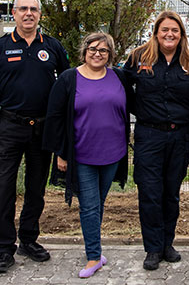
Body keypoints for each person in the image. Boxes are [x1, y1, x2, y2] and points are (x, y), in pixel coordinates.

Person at [0, 0, 70, 273]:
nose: (29, 13)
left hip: (42, 129)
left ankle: (28, 239)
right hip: (10, 128)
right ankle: (4, 247)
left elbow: (68, 85)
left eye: (34, 9)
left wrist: (60, 124)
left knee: (36, 189)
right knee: (4, 188)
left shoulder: (52, 46)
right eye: (23, 9)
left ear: (39, 14)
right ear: (14, 13)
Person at [43, 33, 132, 278]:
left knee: (98, 204)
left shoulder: (119, 78)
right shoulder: (68, 79)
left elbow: (131, 106)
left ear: (110, 54)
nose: (97, 54)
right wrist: (61, 154)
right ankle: (93, 256)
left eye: (103, 50)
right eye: (92, 49)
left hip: (113, 154)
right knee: (89, 207)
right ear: (84, 51)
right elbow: (55, 118)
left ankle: (95, 249)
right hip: (82, 156)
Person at [123, 11, 189, 271]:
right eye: (165, 29)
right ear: (155, 32)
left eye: (175, 30)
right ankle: (153, 248)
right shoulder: (138, 58)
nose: (169, 34)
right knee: (150, 194)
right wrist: (139, 109)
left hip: (180, 137)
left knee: (171, 194)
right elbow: (122, 88)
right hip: (149, 136)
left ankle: (168, 244)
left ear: (181, 35)